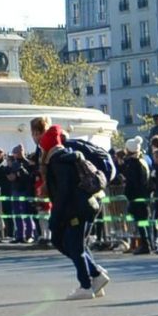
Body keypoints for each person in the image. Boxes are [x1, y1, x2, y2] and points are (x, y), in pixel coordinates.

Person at [40, 125, 111, 298]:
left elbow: (64, 192)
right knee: (72, 244)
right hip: (83, 206)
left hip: (75, 209)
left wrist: (55, 217)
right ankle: (95, 276)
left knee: (74, 246)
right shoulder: (66, 157)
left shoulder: (58, 161)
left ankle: (86, 285)